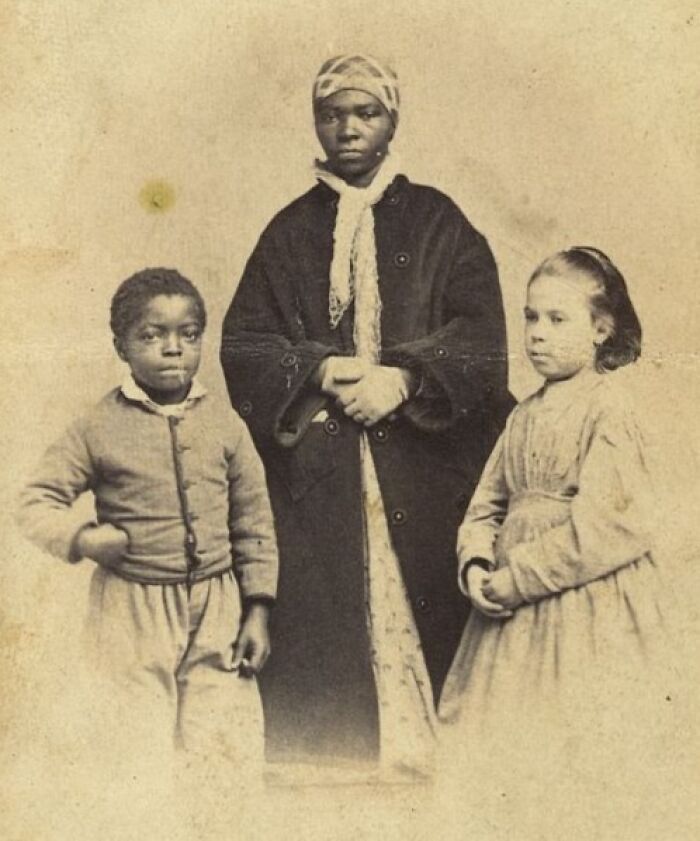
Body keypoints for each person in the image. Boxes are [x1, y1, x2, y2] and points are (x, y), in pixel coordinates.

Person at [220, 54, 513, 773]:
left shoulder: (440, 222)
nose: (348, 128)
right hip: (322, 488)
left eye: (366, 113)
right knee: (326, 646)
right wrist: (319, 369)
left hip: (427, 473)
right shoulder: (288, 232)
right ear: (315, 122)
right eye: (332, 114)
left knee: (445, 635)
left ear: (392, 120)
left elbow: (484, 338)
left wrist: (405, 379)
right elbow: (244, 343)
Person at [438, 247, 685, 804]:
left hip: (587, 610)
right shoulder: (521, 416)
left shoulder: (609, 410)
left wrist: (519, 577)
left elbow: (608, 528)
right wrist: (476, 564)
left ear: (601, 329)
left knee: (575, 754)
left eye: (557, 319)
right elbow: (485, 507)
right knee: (498, 759)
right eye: (531, 317)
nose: (537, 334)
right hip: (506, 618)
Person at [17, 268, 278, 773]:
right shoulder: (98, 426)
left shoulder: (225, 424)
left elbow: (254, 523)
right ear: (122, 347)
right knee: (133, 753)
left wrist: (258, 610)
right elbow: (34, 502)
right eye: (152, 336)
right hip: (131, 611)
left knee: (222, 751)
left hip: (217, 608)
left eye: (189, 334)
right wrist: (83, 539)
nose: (173, 348)